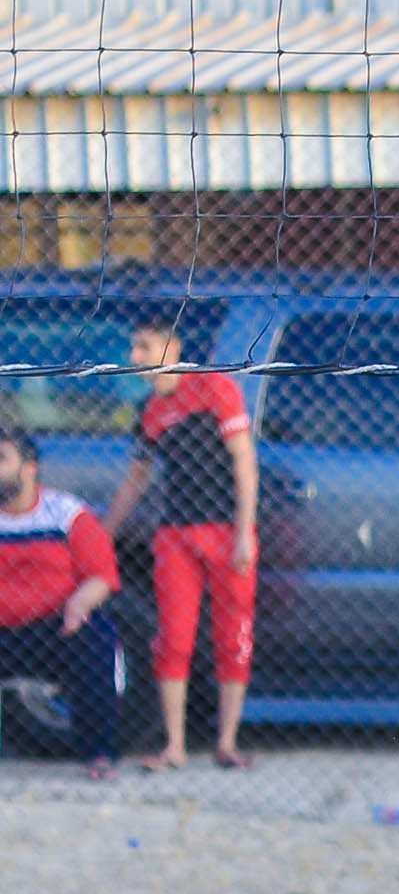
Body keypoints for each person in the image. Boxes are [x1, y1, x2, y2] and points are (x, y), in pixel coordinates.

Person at [104, 312, 258, 769]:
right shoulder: (150, 410)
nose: (135, 356)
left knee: (232, 635)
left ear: (172, 349)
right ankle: (174, 747)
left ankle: (226, 743)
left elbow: (244, 461)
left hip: (225, 531)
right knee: (173, 638)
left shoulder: (214, 389)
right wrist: (103, 534)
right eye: (134, 347)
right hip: (175, 534)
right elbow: (136, 479)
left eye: (145, 347)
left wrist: (244, 531)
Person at [0, 423, 122, 777]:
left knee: (97, 632)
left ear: (30, 468)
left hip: (54, 630)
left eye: (2, 459)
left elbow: (101, 576)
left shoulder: (66, 514)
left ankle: (99, 754)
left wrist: (80, 603)